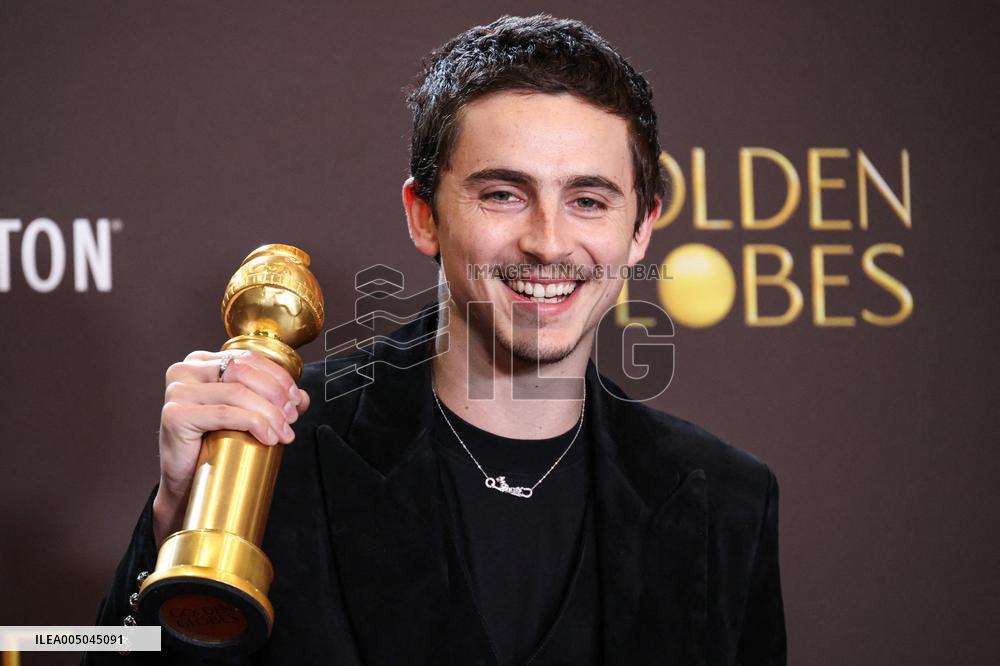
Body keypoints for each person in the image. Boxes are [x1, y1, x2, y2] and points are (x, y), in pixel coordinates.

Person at [88, 14, 786, 665]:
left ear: (641, 228)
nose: (547, 242)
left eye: (588, 201)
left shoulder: (726, 501)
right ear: (423, 216)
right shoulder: (270, 452)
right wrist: (174, 523)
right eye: (502, 194)